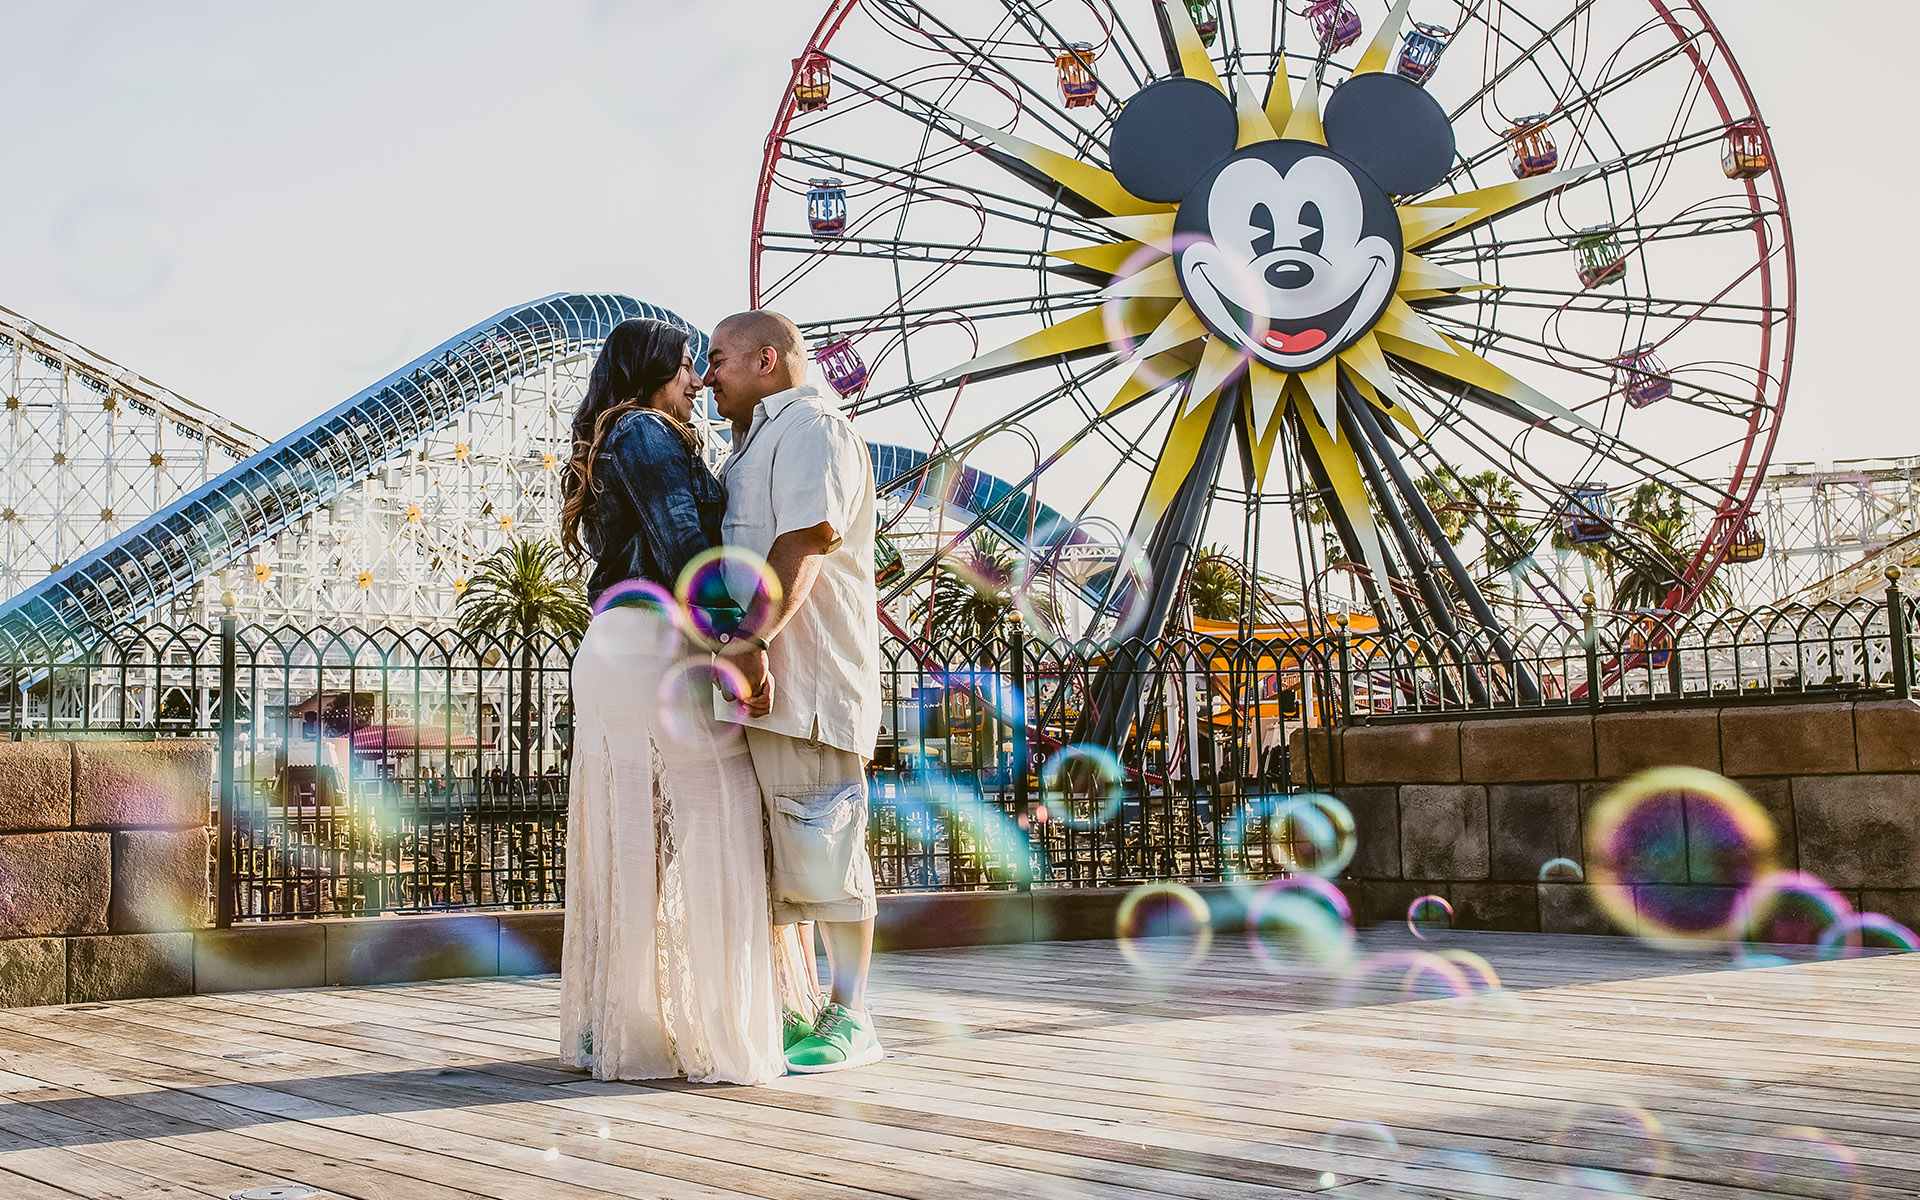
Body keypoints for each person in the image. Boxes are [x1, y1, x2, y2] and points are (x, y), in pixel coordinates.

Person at [555, 317, 816, 1086]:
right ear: (650, 372)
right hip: (653, 646)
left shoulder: (622, 434)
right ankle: (718, 1032)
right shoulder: (642, 431)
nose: (698, 380)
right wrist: (741, 645)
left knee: (639, 842)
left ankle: (624, 1029)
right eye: (684, 367)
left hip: (624, 645)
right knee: (720, 821)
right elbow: (683, 547)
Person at [705, 310, 884, 1074]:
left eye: (718, 360)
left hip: (808, 685)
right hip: (771, 688)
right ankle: (804, 1009)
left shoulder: (812, 428)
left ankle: (852, 1019)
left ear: (767, 360)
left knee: (827, 854)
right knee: (785, 866)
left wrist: (751, 641)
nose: (707, 374)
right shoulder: (753, 445)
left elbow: (804, 540)